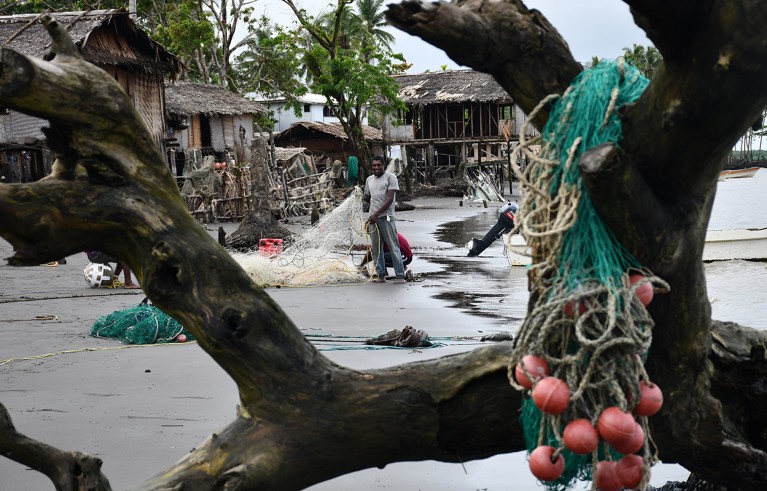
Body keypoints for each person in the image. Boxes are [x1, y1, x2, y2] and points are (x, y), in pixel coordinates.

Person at [363, 155, 406, 284]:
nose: (376, 167)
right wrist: (361, 195)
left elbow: (389, 199)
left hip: (386, 217)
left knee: (393, 246)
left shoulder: (390, 177)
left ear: (383, 165)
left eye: (379, 165)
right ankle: (381, 275)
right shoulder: (369, 180)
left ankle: (400, 275)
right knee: (376, 248)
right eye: (374, 165)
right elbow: (368, 197)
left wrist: (376, 214)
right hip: (373, 219)